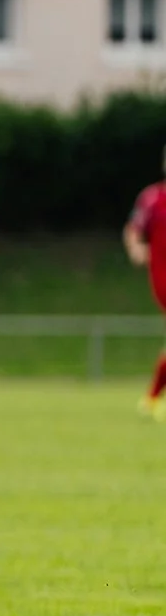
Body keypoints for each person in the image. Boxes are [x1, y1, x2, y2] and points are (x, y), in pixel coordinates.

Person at [124, 148, 166, 416]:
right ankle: (151, 398)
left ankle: (151, 400)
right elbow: (133, 230)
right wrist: (136, 249)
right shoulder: (152, 199)